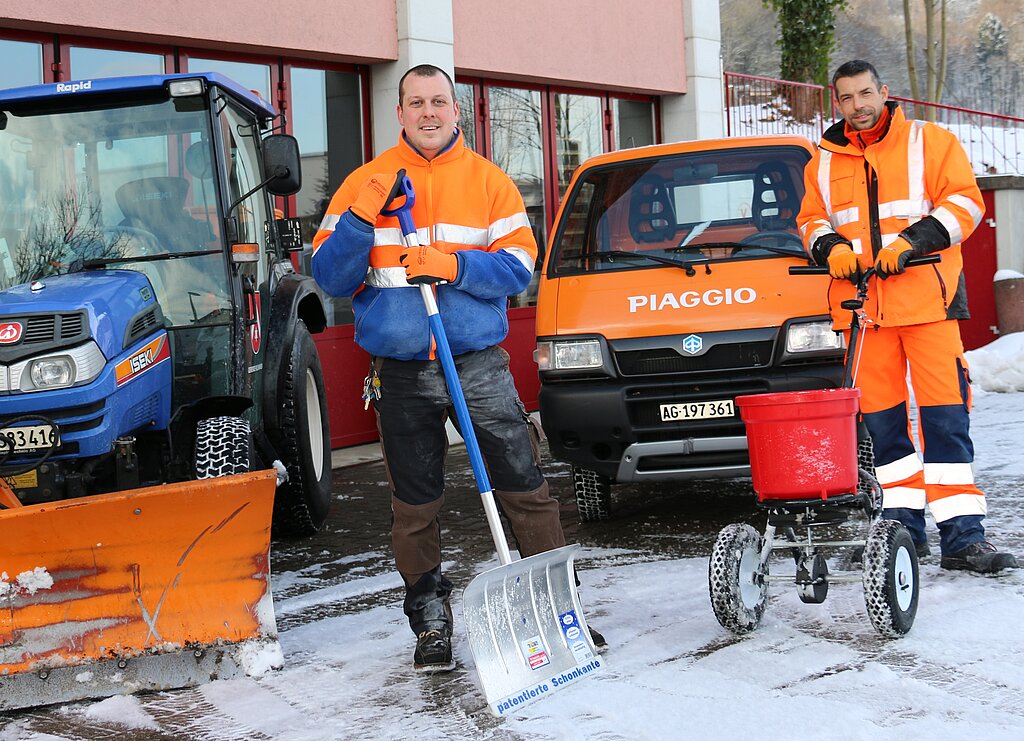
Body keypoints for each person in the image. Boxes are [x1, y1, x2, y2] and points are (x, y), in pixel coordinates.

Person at [310, 64, 600, 671]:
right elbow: (331, 278)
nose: (428, 112)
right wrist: (364, 217)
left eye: (438, 101)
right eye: (416, 102)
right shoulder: (365, 183)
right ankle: (430, 619)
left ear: (456, 109)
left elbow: (522, 266)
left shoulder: (489, 182)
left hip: (478, 363)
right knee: (414, 503)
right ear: (399, 112)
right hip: (402, 369)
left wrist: (452, 266)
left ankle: (553, 608)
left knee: (525, 484)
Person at [797, 59, 1017, 574]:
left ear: (884, 91)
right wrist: (829, 247)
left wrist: (911, 241)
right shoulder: (822, 162)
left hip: (927, 303)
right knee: (886, 430)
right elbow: (809, 220)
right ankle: (902, 534)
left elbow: (964, 204)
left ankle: (963, 537)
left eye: (865, 94)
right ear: (837, 102)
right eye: (847, 98)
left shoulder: (929, 141)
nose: (858, 106)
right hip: (865, 312)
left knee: (945, 421)